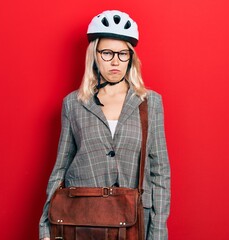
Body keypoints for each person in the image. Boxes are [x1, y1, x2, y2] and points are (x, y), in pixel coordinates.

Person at [39, 10, 170, 240]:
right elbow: (59, 168)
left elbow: (160, 172)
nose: (115, 61)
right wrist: (45, 229)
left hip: (135, 219)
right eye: (107, 53)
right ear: (95, 55)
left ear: (131, 57)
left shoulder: (150, 102)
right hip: (84, 221)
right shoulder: (73, 104)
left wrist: (158, 233)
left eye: (123, 54)